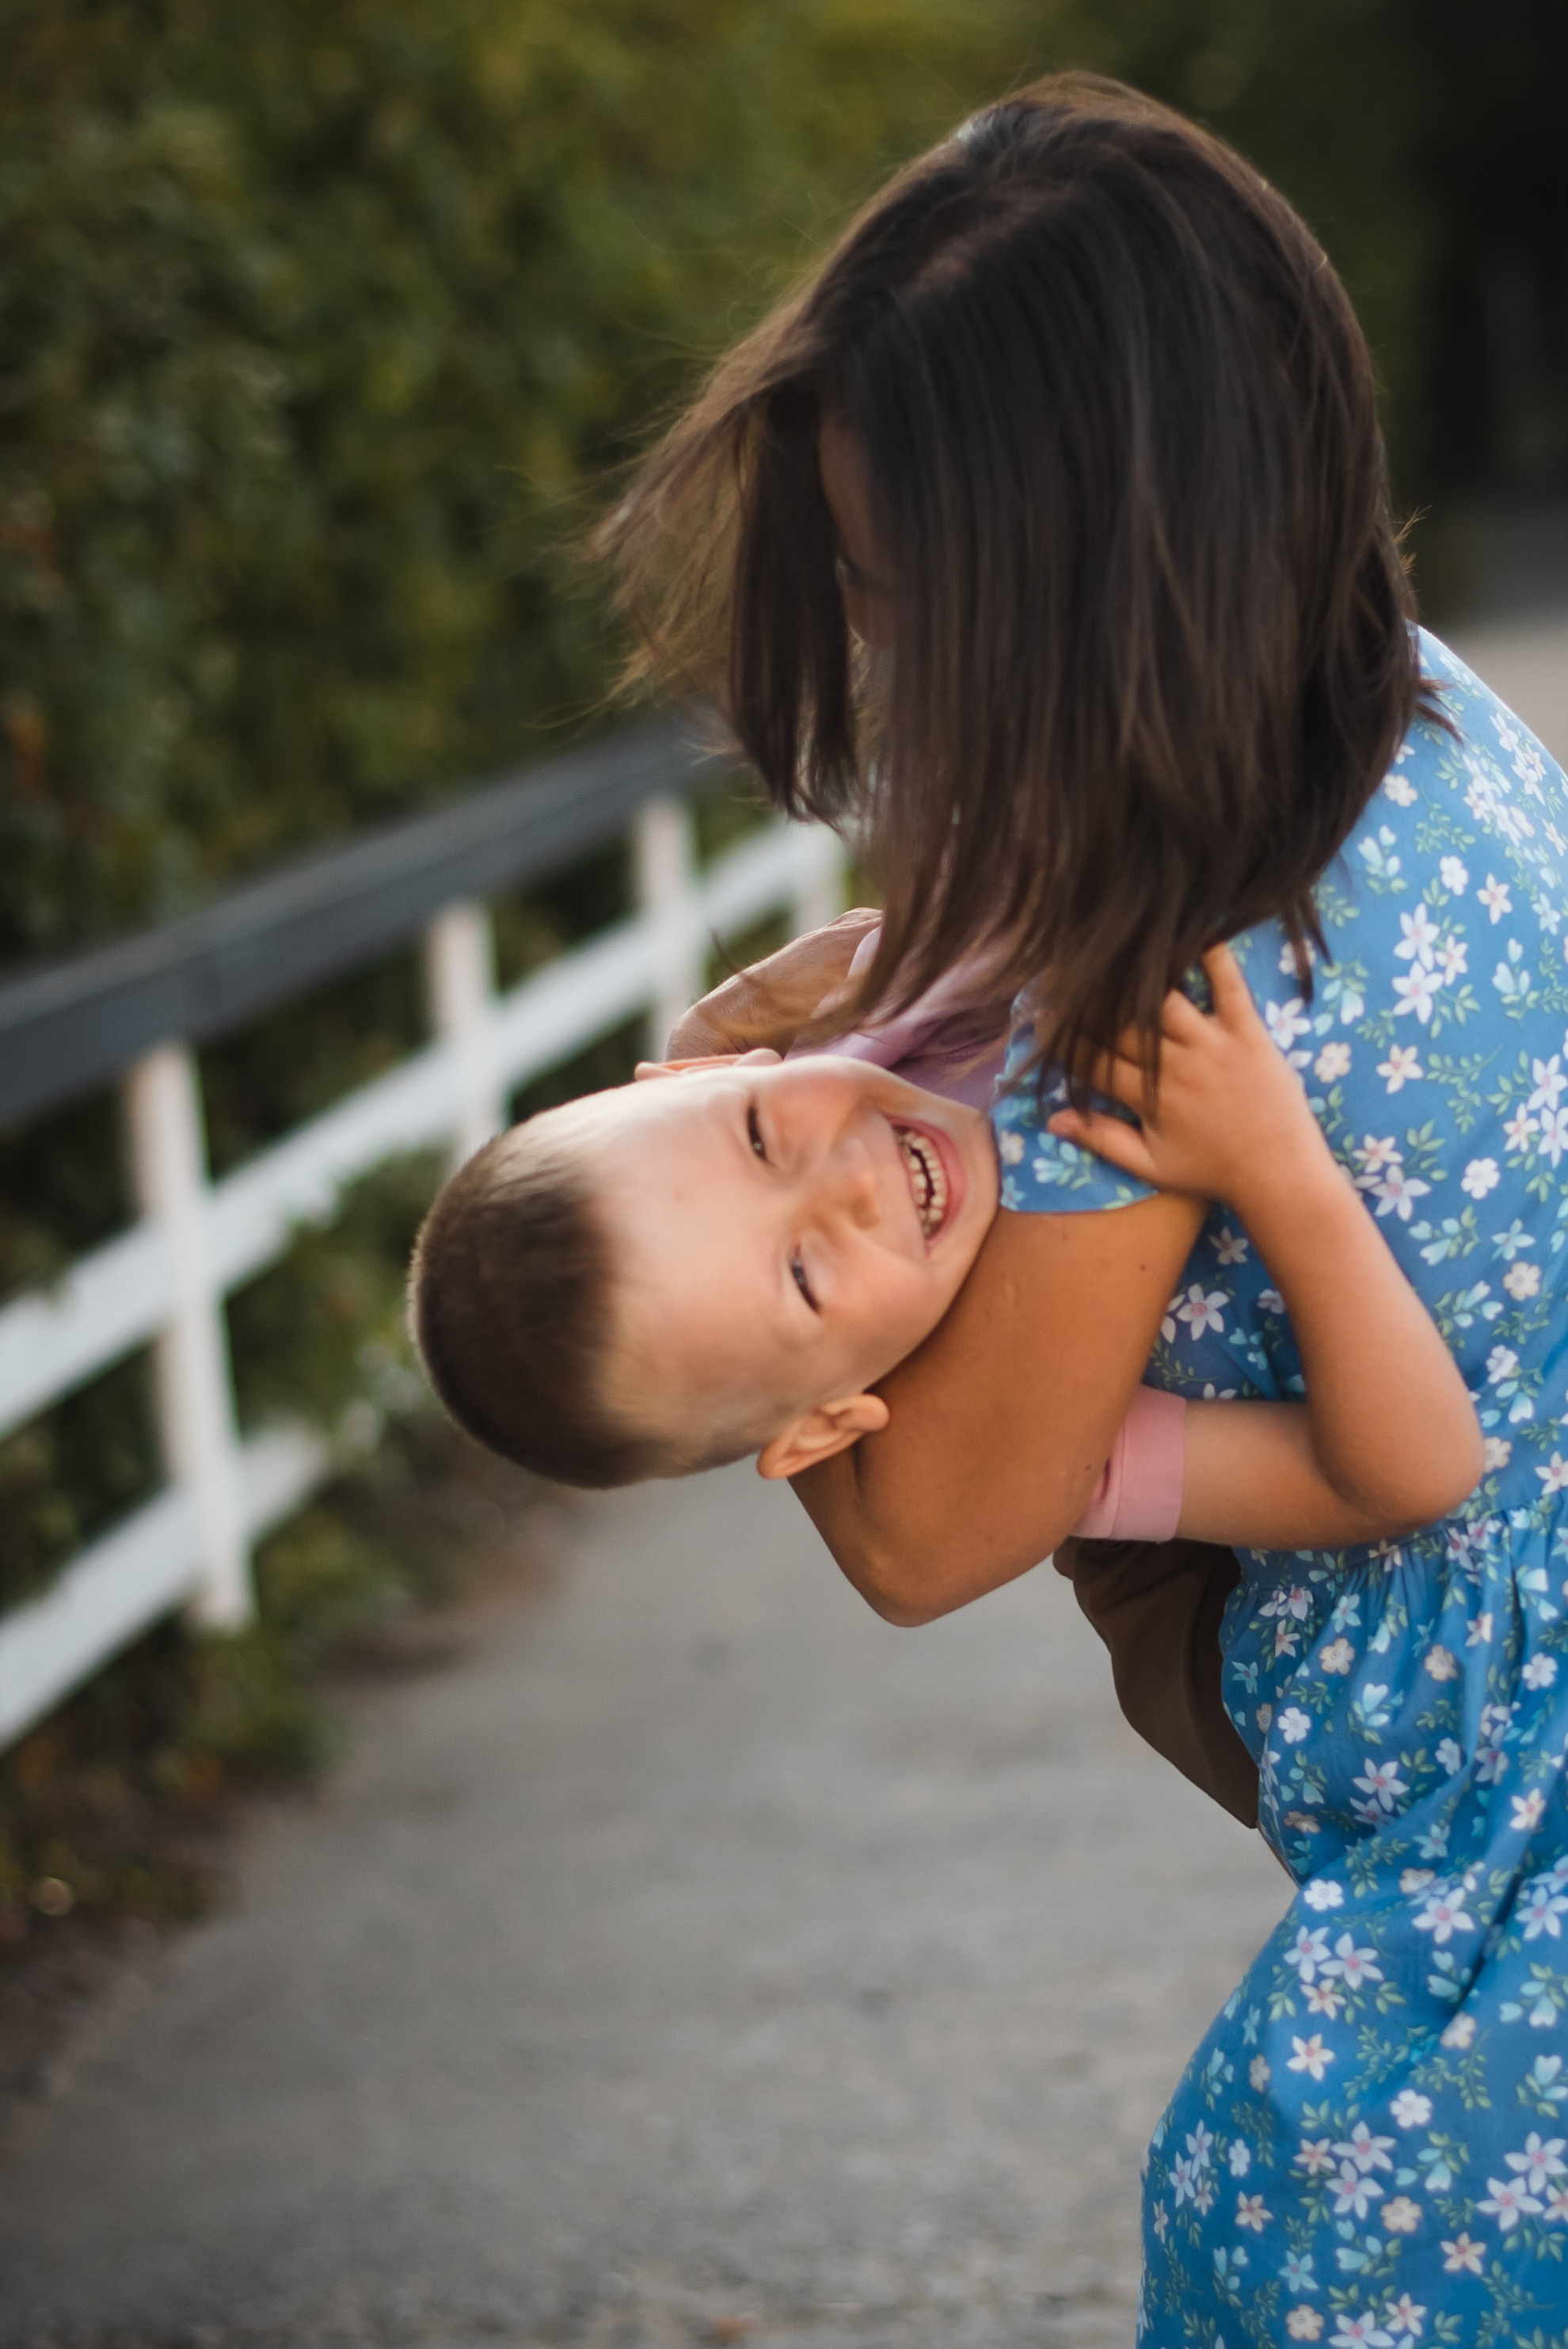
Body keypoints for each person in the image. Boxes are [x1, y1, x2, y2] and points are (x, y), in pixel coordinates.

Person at [602, 70, 1568, 2347]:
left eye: (898, 594)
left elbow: (934, 1532)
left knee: (1288, 2273)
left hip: (1495, 1850)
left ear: (1080, 579)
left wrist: (738, 1281)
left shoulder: (1147, 969)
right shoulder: (1409, 715)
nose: (888, 654)